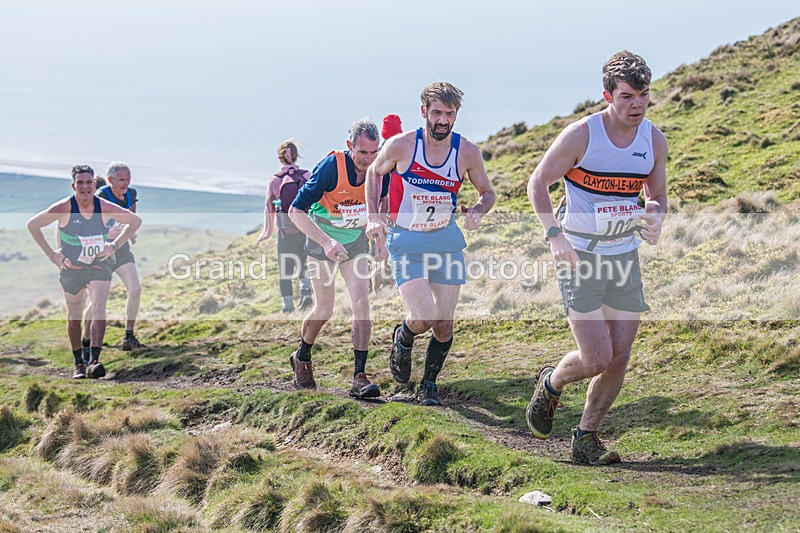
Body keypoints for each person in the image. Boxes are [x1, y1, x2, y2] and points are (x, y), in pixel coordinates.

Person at [525, 51, 668, 465]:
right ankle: (552, 382)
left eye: (643, 95)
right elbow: (538, 183)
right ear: (607, 94)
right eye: (627, 96)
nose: (637, 105)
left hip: (624, 255)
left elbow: (657, 196)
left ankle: (585, 437)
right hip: (579, 254)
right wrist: (555, 236)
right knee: (596, 357)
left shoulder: (653, 140)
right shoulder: (582, 135)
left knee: (620, 357)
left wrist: (656, 217)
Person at [365, 82, 496, 406]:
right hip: (407, 240)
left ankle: (429, 385)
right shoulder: (402, 146)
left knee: (443, 323)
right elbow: (373, 172)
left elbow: (488, 192)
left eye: (449, 114)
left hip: (445, 240)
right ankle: (405, 335)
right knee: (422, 316)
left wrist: (479, 209)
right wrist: (373, 217)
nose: (443, 120)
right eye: (437, 112)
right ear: (424, 111)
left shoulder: (466, 152)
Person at [286, 118, 389, 399]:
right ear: (349, 147)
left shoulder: (381, 168)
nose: (368, 160)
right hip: (322, 241)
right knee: (325, 309)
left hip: (355, 243)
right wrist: (326, 241)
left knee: (362, 304)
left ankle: (359, 376)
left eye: (373, 152)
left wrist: (381, 238)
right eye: (362, 153)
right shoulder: (331, 168)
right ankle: (302, 356)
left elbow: (383, 202)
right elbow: (296, 211)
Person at [27, 165, 142, 379]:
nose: (85, 187)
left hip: (98, 265)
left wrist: (113, 246)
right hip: (72, 268)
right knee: (74, 318)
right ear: (74, 185)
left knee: (99, 306)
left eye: (89, 182)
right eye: (80, 183)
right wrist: (53, 255)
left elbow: (135, 222)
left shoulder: (104, 206)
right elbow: (33, 225)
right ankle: (78, 363)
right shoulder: (64, 207)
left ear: (94, 184)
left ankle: (94, 361)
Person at [81, 162, 143, 354]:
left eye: (128, 179)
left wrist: (129, 233)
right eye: (122, 180)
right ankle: (85, 341)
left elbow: (131, 217)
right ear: (110, 180)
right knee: (98, 302)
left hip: (120, 249)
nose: (126, 183)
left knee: (135, 288)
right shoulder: (100, 197)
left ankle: (129, 336)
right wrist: (108, 233)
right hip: (100, 251)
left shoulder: (131, 194)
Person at [256, 140, 313, 313]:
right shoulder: (306, 176)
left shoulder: (275, 180)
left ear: (280, 158)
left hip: (285, 233)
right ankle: (306, 293)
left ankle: (287, 307)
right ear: (296, 156)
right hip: (306, 229)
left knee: (285, 271)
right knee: (304, 263)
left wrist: (267, 232)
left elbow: (269, 207)